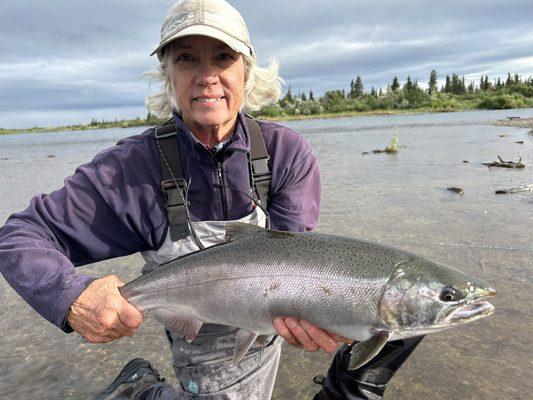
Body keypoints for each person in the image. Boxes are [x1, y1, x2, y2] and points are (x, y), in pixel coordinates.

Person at [0, 0, 422, 399]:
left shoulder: (286, 154)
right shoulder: (129, 170)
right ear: (167, 74)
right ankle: (144, 388)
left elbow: (300, 262)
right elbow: (19, 236)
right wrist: (71, 295)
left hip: (262, 328)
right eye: (187, 59)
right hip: (194, 336)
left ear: (246, 72)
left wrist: (327, 315)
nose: (207, 76)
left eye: (223, 58)